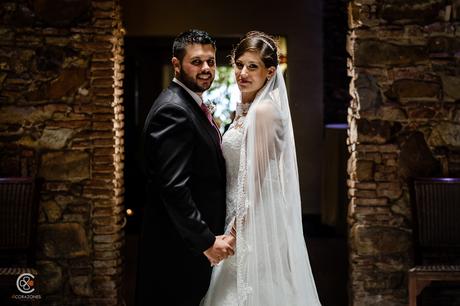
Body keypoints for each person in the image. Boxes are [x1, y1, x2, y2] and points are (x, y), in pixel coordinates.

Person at [201, 31, 322, 306]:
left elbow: (253, 184)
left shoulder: (264, 112)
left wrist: (232, 236)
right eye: (239, 64)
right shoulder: (247, 108)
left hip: (252, 220)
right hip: (236, 213)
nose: (242, 72)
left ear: (269, 73)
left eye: (252, 66)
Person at [136, 29, 234, 306]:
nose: (206, 69)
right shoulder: (174, 110)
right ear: (176, 64)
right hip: (178, 249)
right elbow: (174, 187)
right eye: (197, 61)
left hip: (188, 245)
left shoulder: (191, 104)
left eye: (211, 62)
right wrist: (205, 241)